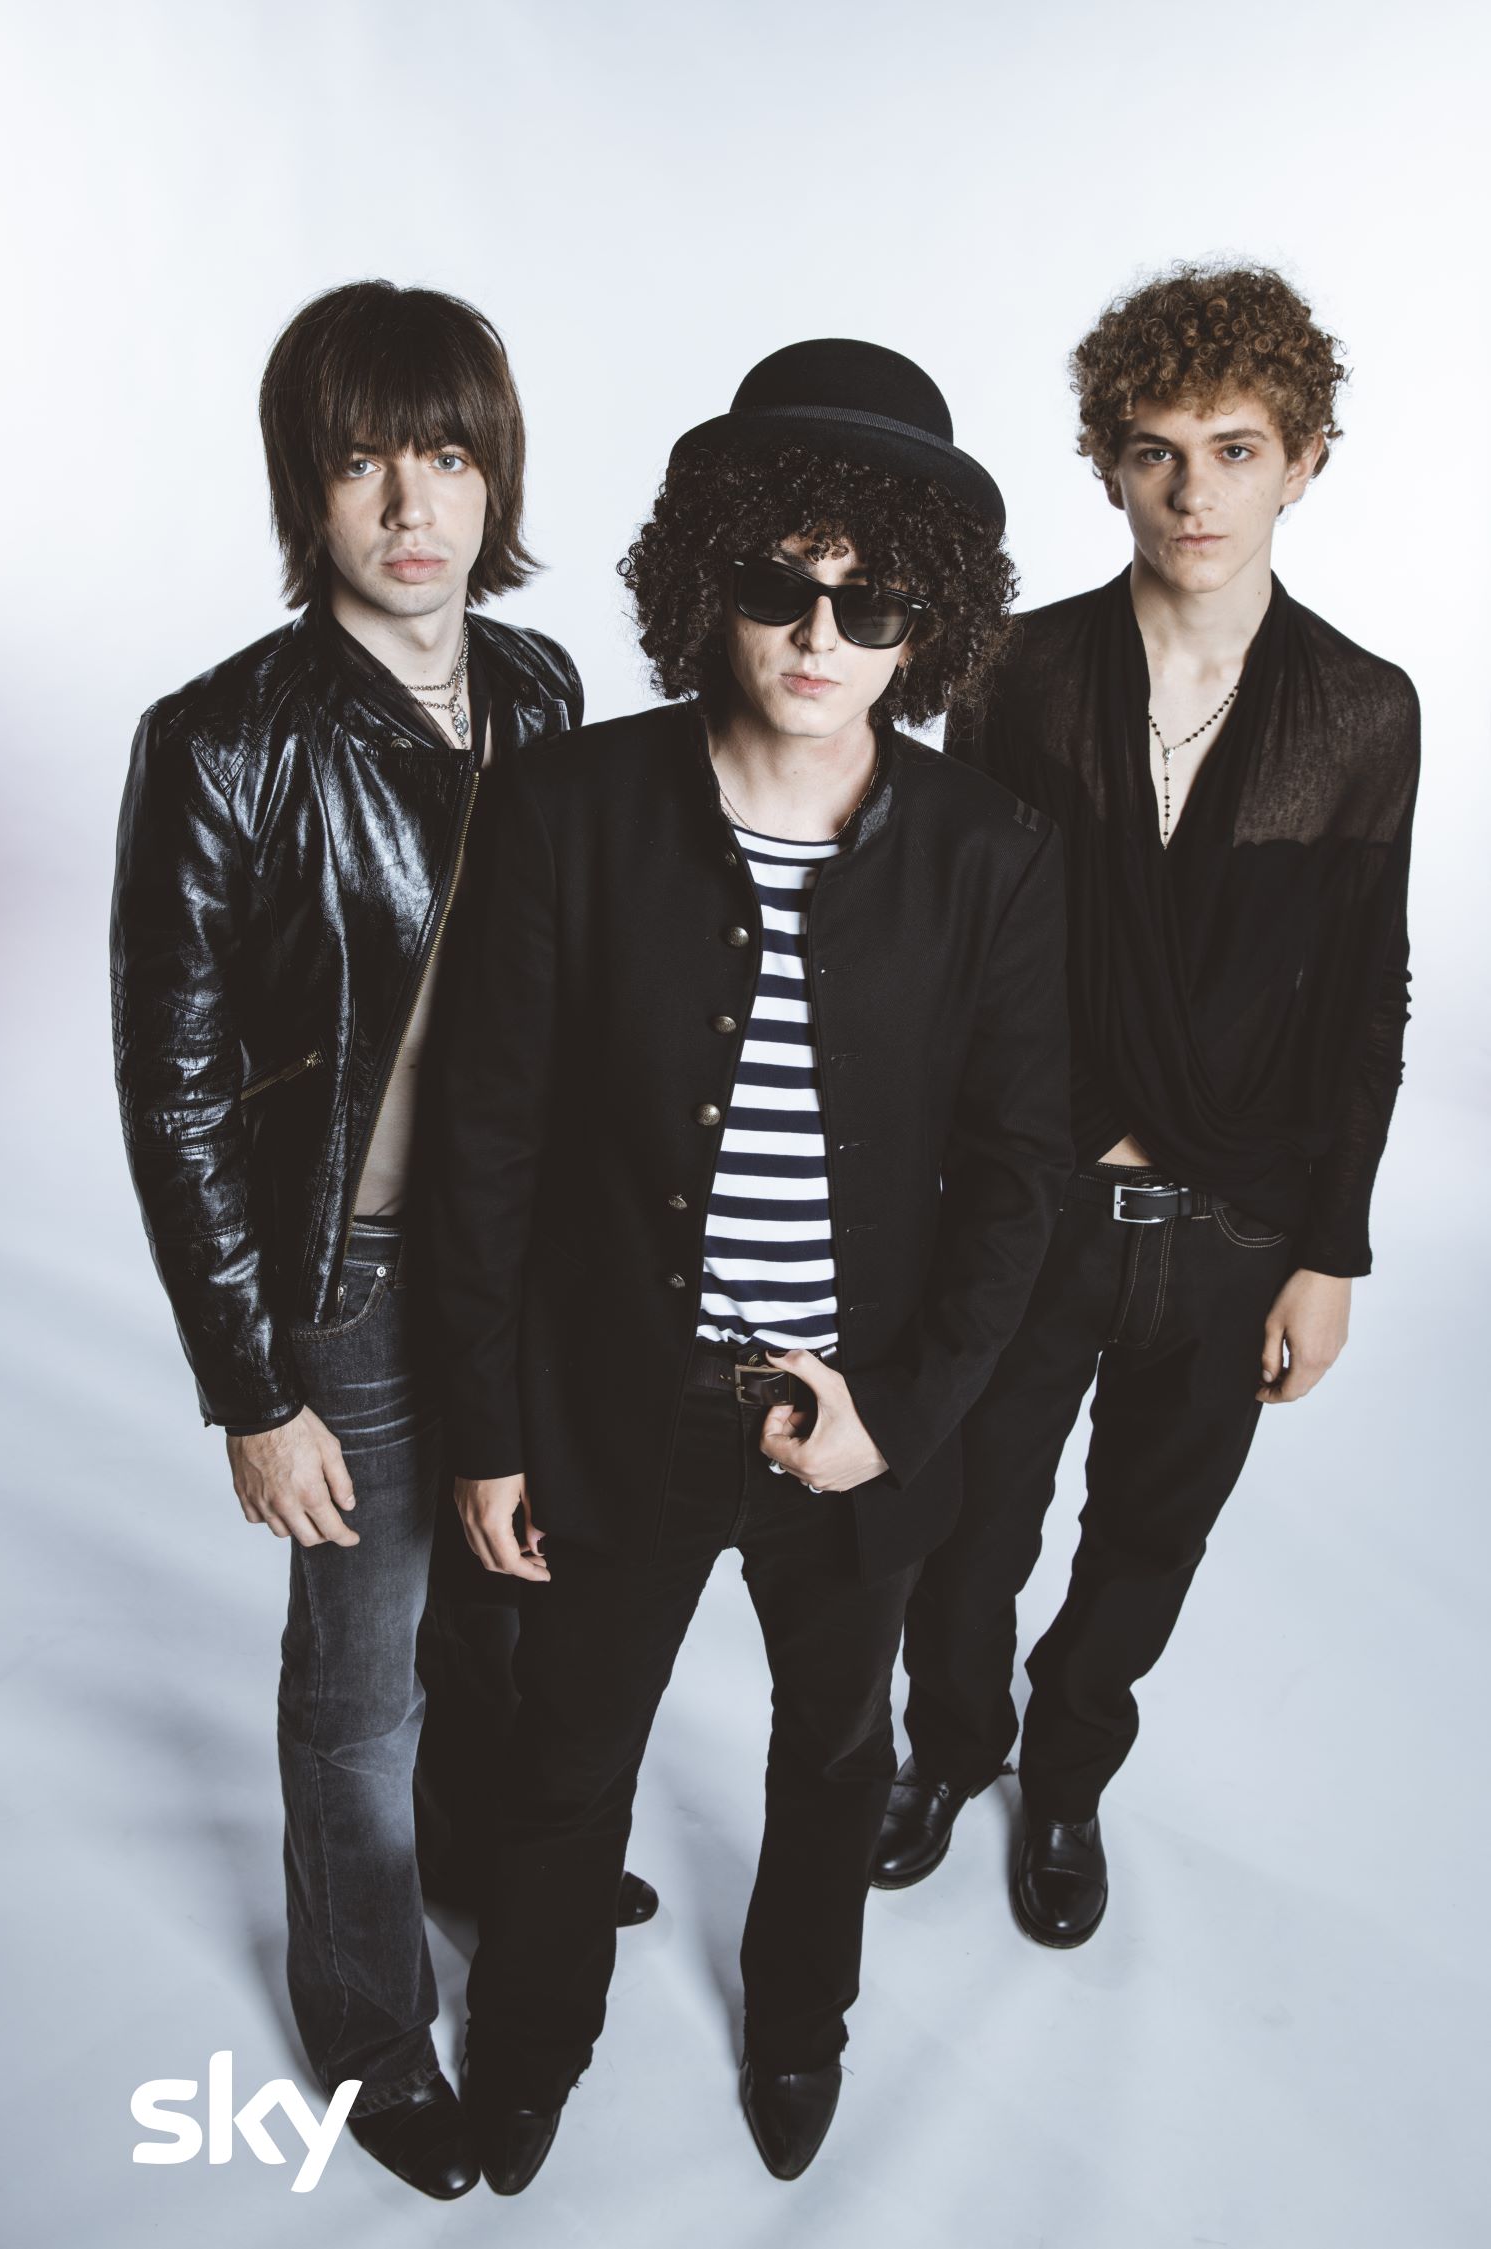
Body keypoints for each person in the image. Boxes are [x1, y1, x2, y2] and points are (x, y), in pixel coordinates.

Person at [432, 338, 1074, 2191]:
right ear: (709, 577)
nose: (820, 634)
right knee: (570, 1754)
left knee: (836, 1756)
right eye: (782, 583)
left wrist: (903, 1416)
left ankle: (801, 2029)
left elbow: (1019, 1176)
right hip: (615, 1404)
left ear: (929, 623)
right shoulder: (568, 809)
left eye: (873, 603)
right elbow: (486, 1146)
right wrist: (488, 1431)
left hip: (853, 1422)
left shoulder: (992, 855)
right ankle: (529, 2047)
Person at [109, 278, 653, 2203]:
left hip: (523, 1259)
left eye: (445, 455)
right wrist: (252, 1390)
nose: (412, 505)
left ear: (495, 473)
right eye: (361, 463)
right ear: (307, 488)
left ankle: (491, 1856)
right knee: (358, 1692)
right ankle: (363, 2019)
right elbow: (173, 1089)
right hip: (341, 1279)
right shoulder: (222, 740)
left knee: (506, 1599)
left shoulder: (543, 687)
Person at [874, 265, 1421, 1949]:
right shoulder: (1022, 673)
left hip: (1237, 1221)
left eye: (1237, 450)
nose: (1196, 491)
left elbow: (1366, 998)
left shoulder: (1362, 710)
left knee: (1147, 1541)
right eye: (1158, 450)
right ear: (1106, 462)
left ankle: (1064, 1777)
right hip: (1029, 1206)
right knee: (965, 1528)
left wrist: (1331, 1251)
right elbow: (951, 949)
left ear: (1305, 462)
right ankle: (948, 1748)